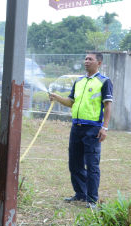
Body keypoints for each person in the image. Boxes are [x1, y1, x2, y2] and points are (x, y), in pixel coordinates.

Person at [48, 52, 113, 209]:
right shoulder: (79, 81)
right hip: (76, 127)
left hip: (93, 128)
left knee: (92, 165)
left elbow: (108, 105)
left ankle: (92, 199)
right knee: (74, 163)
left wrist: (104, 127)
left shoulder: (104, 82)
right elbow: (71, 102)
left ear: (99, 63)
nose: (86, 61)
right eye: (85, 59)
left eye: (90, 59)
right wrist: (57, 97)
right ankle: (80, 194)